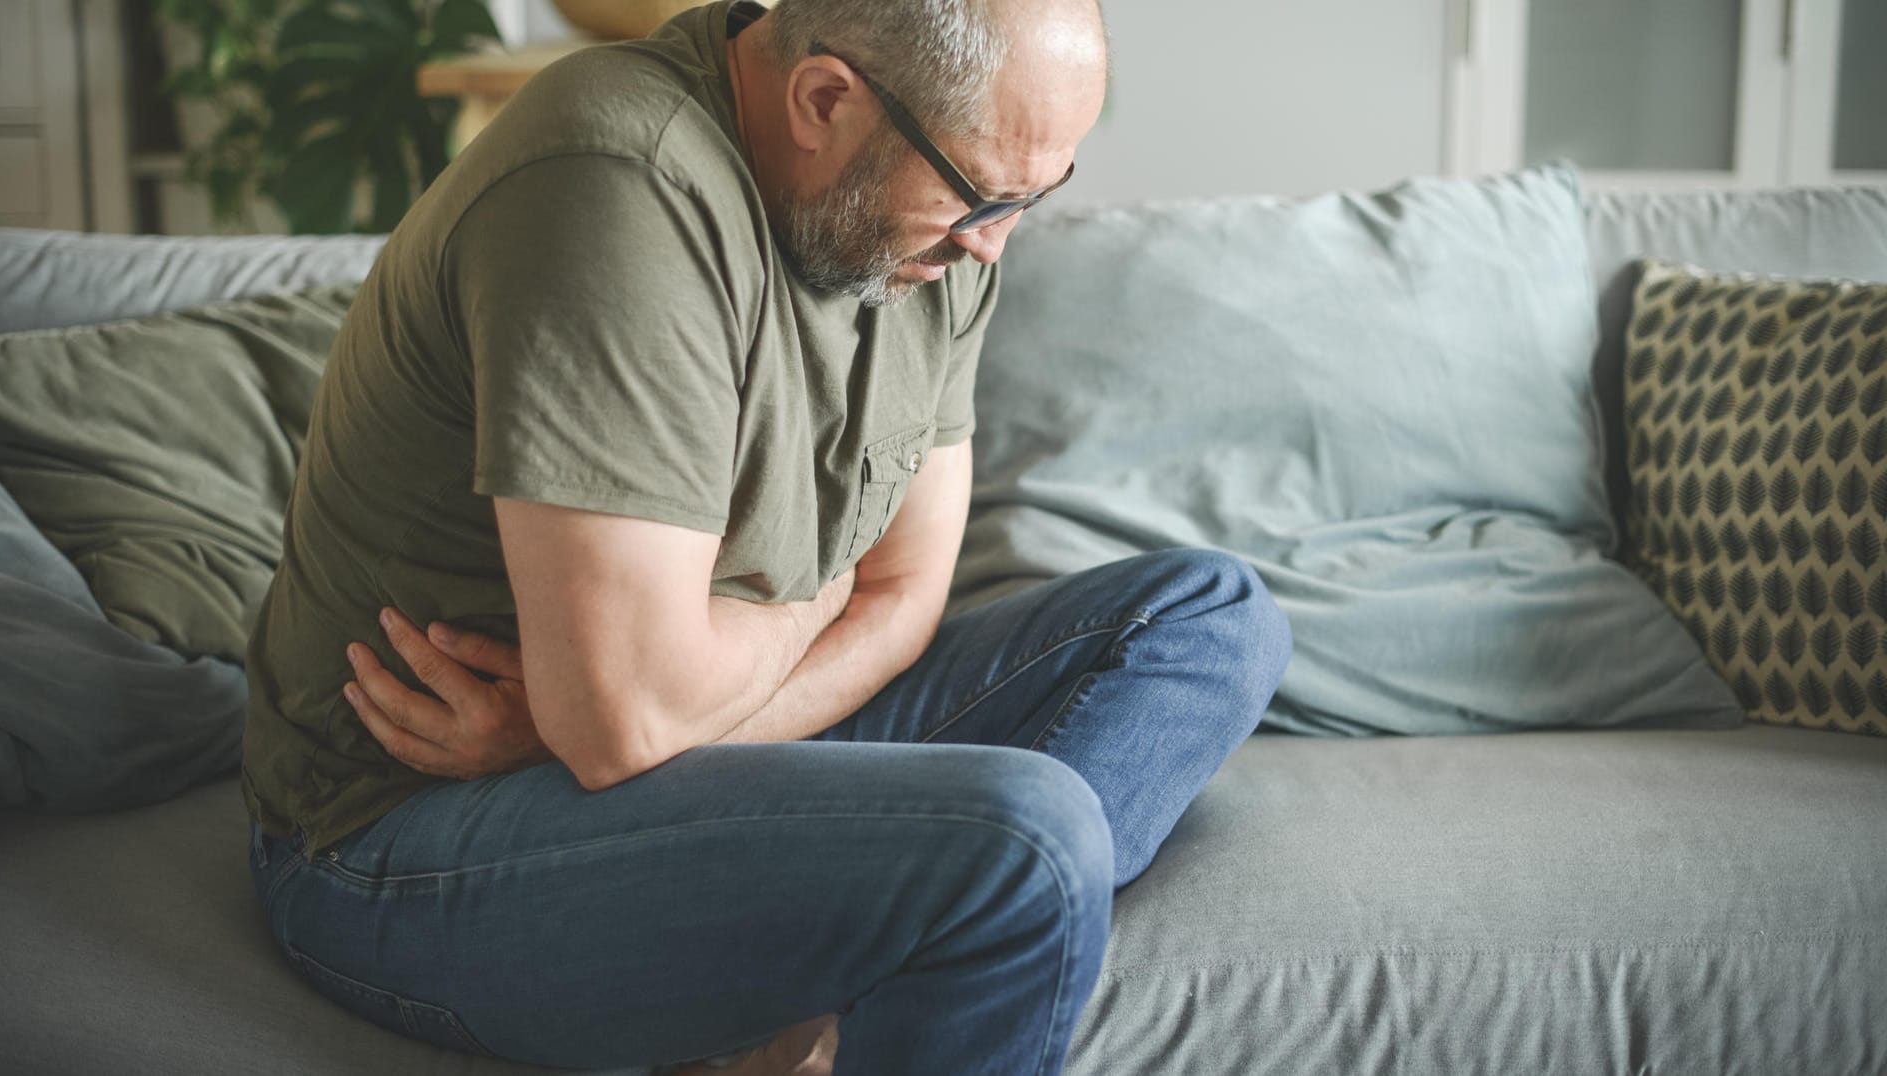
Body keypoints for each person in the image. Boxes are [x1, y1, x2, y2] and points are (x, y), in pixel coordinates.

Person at [240, 0, 1292, 1072]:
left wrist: (595, 730)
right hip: (409, 837)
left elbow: (906, 597)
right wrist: (804, 610)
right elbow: (635, 710)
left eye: (1038, 191)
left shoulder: (946, 232)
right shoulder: (616, 181)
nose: (994, 242)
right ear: (824, 98)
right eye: (978, 191)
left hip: (598, 748)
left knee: (1209, 616)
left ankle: (855, 983)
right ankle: (922, 933)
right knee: (1027, 837)